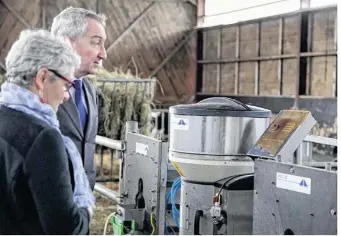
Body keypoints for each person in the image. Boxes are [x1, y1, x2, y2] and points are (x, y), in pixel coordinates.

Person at [0, 29, 94, 234]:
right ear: (43, 78)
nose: (67, 96)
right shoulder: (43, 139)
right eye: (67, 84)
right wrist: (86, 211)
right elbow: (66, 229)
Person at [51, 7, 107, 190]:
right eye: (96, 43)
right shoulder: (36, 90)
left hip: (81, 203)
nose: (103, 54)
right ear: (66, 43)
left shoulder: (89, 91)